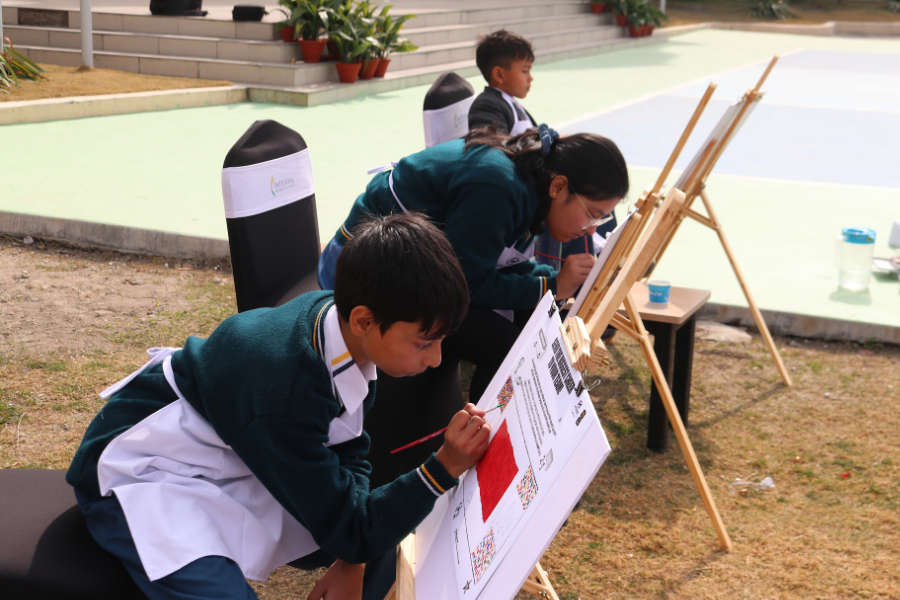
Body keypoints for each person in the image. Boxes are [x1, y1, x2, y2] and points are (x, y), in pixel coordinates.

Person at [65, 214, 491, 600]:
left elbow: (349, 448)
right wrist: (443, 467)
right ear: (364, 320)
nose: (436, 359)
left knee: (378, 530)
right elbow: (351, 514)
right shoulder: (289, 386)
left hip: (228, 452)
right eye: (424, 342)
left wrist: (353, 558)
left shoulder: (339, 328)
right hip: (144, 471)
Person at [318, 124, 629, 403]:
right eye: (593, 215)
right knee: (501, 343)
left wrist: (551, 281)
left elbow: (488, 259)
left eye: (601, 220)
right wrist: (551, 284)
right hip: (360, 273)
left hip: (410, 265)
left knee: (529, 316)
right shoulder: (498, 187)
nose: (591, 230)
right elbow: (465, 282)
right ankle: (488, 438)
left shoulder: (525, 181)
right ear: (558, 186)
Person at [468, 29, 537, 136]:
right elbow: (490, 144)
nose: (531, 78)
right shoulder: (487, 105)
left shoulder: (512, 104)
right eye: (525, 71)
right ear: (499, 75)